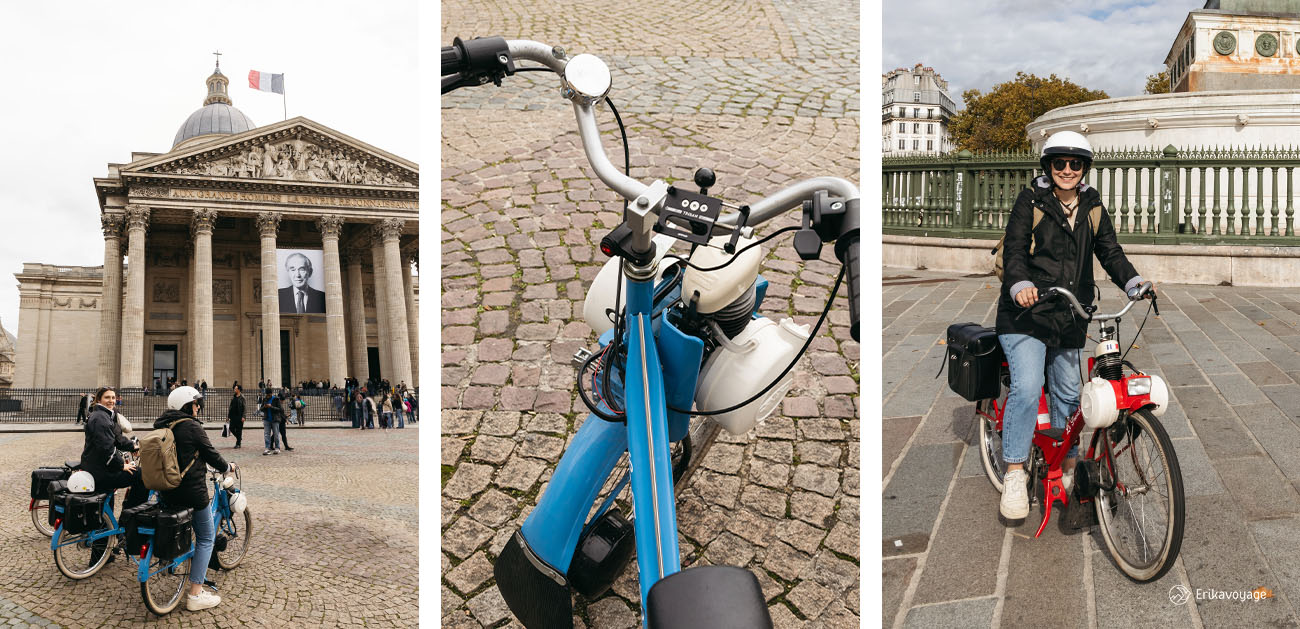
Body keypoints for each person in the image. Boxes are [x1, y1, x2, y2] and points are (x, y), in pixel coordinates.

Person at [996, 131, 1154, 521]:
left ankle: (1067, 467)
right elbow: (1014, 250)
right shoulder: (1030, 200)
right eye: (1059, 163)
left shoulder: (1092, 204)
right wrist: (1020, 285)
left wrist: (1134, 282)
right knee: (1027, 387)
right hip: (1026, 314)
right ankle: (1014, 471)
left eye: (1075, 163)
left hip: (1070, 313)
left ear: (1084, 168)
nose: (1067, 170)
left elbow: (1110, 251)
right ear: (1048, 166)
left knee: (1070, 395)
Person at [152, 386, 235, 612]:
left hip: (166, 489)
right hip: (191, 491)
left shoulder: (162, 425)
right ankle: (196, 594)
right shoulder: (191, 426)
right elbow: (211, 454)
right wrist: (227, 466)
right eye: (196, 403)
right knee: (206, 537)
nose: (198, 407)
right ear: (187, 406)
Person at [80, 387, 148, 510]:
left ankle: (113, 519)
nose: (111, 400)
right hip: (101, 471)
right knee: (143, 475)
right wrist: (121, 465)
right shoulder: (100, 418)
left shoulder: (105, 415)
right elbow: (106, 449)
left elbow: (117, 439)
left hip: (98, 467)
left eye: (113, 397)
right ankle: (130, 515)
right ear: (99, 400)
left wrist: (134, 447)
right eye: (107, 397)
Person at [261, 390, 282, 455]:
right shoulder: (264, 399)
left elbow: (280, 409)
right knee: (266, 434)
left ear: (271, 394)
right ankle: (267, 448)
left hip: (275, 419)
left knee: (276, 434)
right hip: (266, 419)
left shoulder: (276, 399)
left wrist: (271, 407)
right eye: (266, 395)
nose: (267, 396)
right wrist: (264, 407)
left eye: (268, 395)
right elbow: (261, 409)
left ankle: (277, 448)